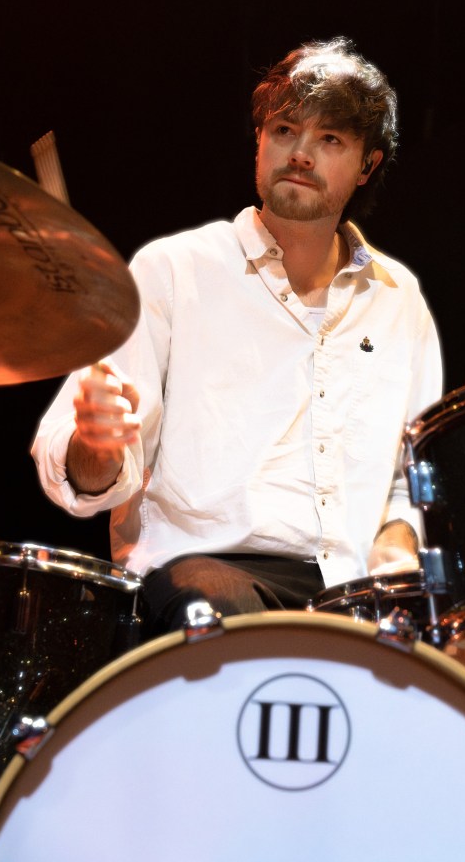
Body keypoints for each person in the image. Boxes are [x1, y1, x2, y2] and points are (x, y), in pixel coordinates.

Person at [32, 37, 442, 634]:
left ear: (367, 165)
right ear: (259, 141)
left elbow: (414, 476)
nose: (300, 154)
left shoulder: (398, 298)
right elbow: (80, 476)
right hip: (206, 576)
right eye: (284, 130)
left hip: (348, 589)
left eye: (330, 139)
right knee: (228, 618)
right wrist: (95, 446)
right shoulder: (173, 271)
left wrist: (398, 542)